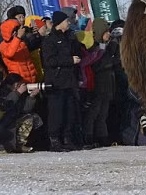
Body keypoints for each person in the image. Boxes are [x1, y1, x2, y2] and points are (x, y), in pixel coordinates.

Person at [42, 10, 82, 151]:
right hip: (56, 82)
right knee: (56, 112)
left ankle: (67, 138)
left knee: (69, 112)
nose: (68, 23)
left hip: (70, 81)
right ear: (59, 23)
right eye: (66, 21)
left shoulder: (69, 38)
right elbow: (49, 61)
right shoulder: (50, 40)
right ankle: (54, 140)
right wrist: (69, 60)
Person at [83, 19, 119, 148]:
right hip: (97, 86)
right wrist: (112, 61)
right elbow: (95, 65)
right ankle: (89, 136)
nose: (108, 34)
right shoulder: (93, 47)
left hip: (107, 86)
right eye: (106, 32)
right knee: (94, 113)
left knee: (103, 114)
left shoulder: (107, 46)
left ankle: (103, 137)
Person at [0, 19, 39, 84]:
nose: (16, 32)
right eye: (13, 30)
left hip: (32, 79)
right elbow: (9, 53)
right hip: (19, 81)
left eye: (17, 30)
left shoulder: (22, 42)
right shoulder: (3, 45)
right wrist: (18, 37)